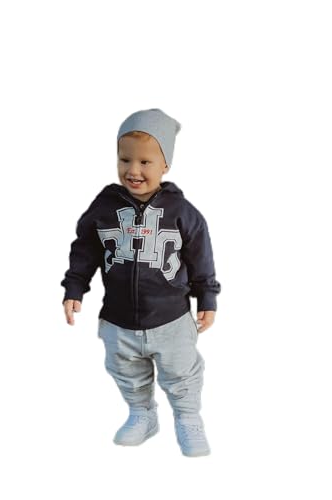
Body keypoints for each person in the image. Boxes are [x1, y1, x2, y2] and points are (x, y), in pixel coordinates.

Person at [61, 108, 221, 457]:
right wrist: (75, 287)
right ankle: (142, 414)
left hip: (171, 320)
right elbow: (85, 249)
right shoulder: (103, 206)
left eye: (145, 162)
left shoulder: (183, 212)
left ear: (165, 165)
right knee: (126, 371)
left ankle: (188, 417)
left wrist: (207, 298)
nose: (133, 170)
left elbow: (201, 258)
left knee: (181, 374)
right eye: (125, 160)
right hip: (118, 319)